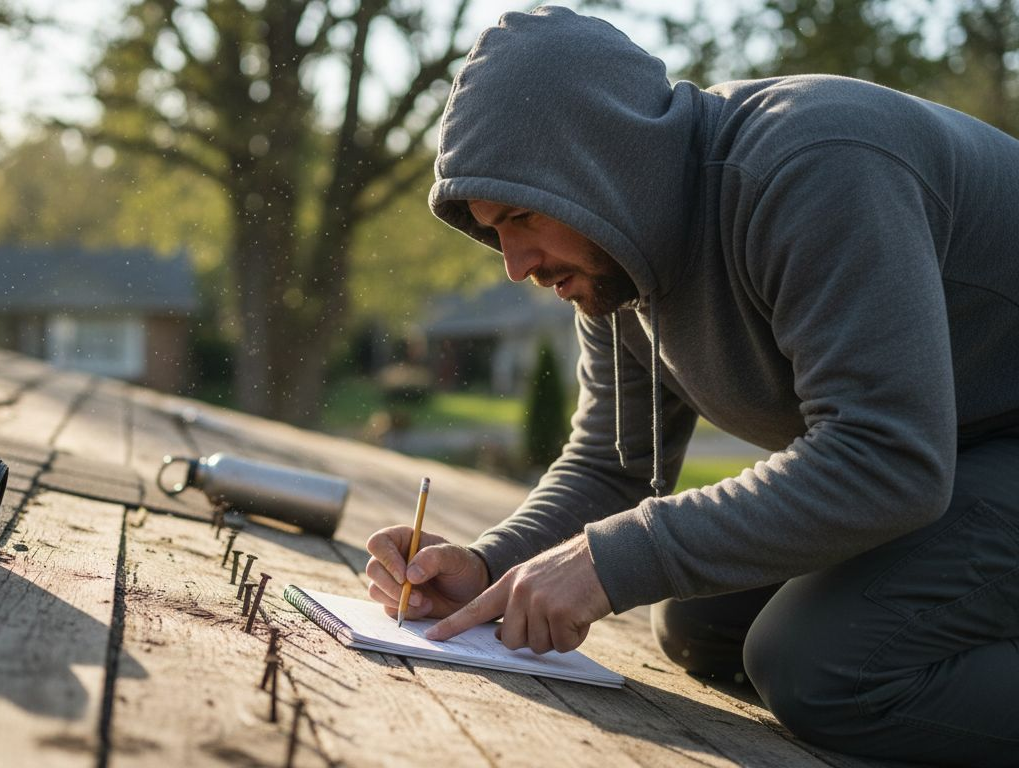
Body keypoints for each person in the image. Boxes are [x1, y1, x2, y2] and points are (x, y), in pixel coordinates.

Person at [363, 7, 1019, 766]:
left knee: (821, 670)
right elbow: (612, 467)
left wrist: (609, 560)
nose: (515, 264)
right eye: (492, 229)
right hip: (959, 452)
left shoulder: (815, 167)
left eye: (521, 216)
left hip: (973, 447)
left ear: (600, 163)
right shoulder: (616, 262)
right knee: (698, 624)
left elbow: (887, 457)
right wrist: (488, 565)